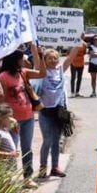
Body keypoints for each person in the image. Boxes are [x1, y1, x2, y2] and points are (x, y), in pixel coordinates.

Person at [0, 43, 46, 189]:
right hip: (12, 120)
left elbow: (42, 73)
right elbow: (1, 99)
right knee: (11, 150)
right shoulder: (3, 77)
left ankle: (27, 177)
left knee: (27, 148)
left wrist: (41, 56)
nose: (23, 61)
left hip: (28, 116)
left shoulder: (23, 72)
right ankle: (6, 179)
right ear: (14, 60)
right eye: (21, 59)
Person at [37, 47, 78, 179]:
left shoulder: (60, 70)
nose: (54, 60)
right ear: (45, 60)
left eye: (55, 58)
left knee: (56, 141)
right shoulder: (40, 72)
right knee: (47, 141)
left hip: (59, 111)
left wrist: (76, 43)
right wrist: (35, 49)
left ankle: (55, 167)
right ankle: (43, 167)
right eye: (50, 58)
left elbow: (70, 58)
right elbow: (37, 59)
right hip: (45, 111)